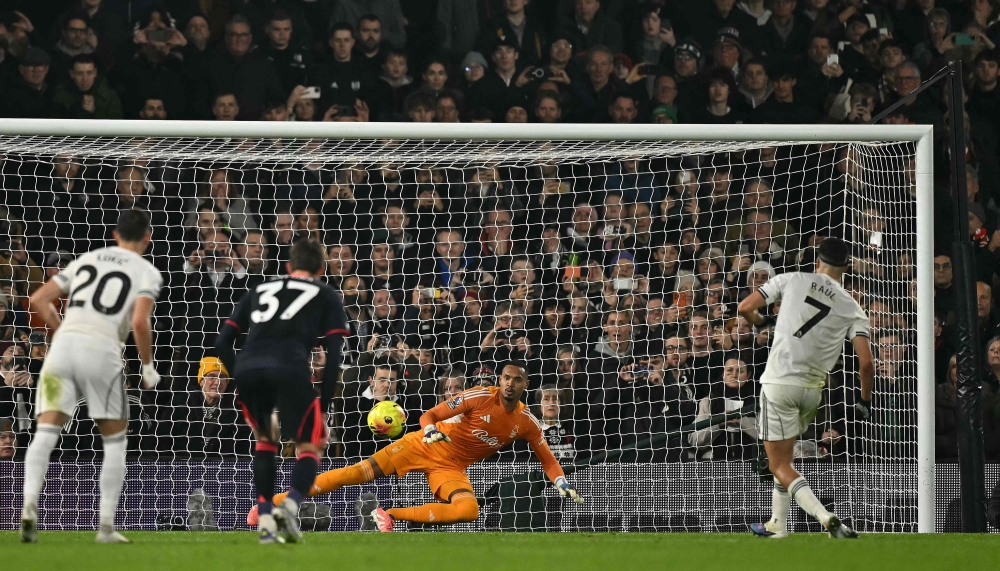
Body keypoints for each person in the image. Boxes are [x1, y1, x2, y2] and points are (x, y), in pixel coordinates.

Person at [248, 363, 583, 532]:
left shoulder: (526, 421)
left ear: (526, 385)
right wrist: (432, 431)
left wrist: (561, 482)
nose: (510, 384)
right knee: (356, 474)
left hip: (450, 467)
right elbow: (429, 414)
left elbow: (548, 458)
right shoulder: (481, 395)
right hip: (422, 445)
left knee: (469, 510)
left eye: (517, 380)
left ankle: (389, 516)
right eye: (506, 378)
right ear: (500, 381)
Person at [20, 210, 163, 544]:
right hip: (103, 353)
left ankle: (28, 512)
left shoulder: (86, 260)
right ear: (147, 237)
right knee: (114, 440)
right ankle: (106, 528)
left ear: (114, 234)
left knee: (46, 431)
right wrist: (146, 364)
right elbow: (140, 323)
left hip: (62, 352)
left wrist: (60, 329)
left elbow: (39, 299)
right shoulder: (146, 271)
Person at [738, 236, 874, 539]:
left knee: (778, 465)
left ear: (817, 262)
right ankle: (778, 525)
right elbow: (866, 364)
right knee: (785, 459)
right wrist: (864, 400)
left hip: (779, 383)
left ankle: (826, 517)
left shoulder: (792, 279)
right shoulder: (852, 306)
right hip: (813, 392)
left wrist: (762, 324)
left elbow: (745, 306)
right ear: (846, 267)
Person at [214, 239, 347, 544]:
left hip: (248, 368)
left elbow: (222, 343)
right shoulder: (326, 295)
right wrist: (323, 406)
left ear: (288, 267)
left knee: (265, 439)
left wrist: (239, 378)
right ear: (322, 269)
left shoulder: (259, 290)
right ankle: (288, 507)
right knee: (310, 444)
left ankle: (264, 519)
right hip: (290, 368)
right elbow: (335, 355)